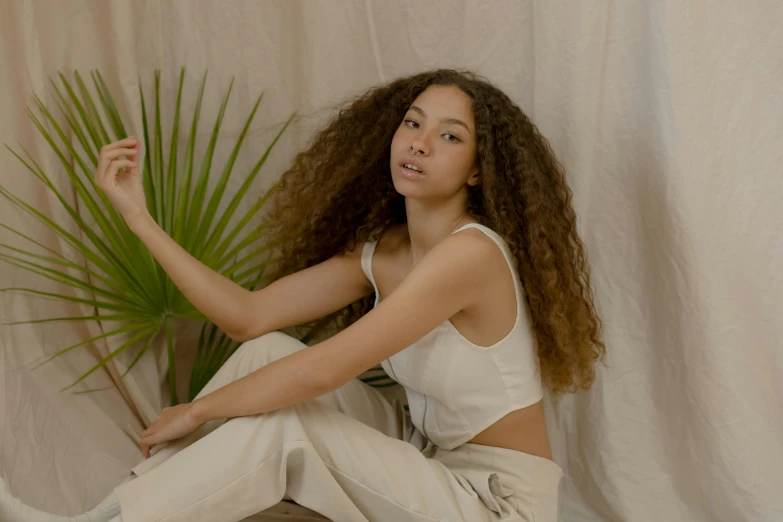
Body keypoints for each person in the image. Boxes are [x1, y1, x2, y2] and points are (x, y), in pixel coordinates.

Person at [0, 68, 605, 522]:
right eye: (413, 123)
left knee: (287, 426)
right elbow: (249, 316)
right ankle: (110, 510)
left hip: (494, 503)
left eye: (450, 137)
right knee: (267, 351)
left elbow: (324, 368)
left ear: (478, 169)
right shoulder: (386, 249)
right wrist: (139, 218)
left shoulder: (471, 255)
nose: (419, 143)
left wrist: (199, 409)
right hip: (425, 456)